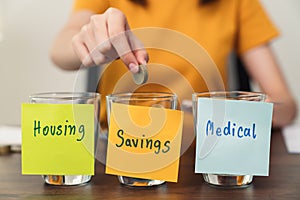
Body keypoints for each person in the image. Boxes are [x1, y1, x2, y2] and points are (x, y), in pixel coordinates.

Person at [50, 0, 297, 128]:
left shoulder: (236, 2)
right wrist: (84, 41)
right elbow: (59, 51)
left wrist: (233, 112)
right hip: (120, 146)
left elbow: (285, 106)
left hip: (203, 150)